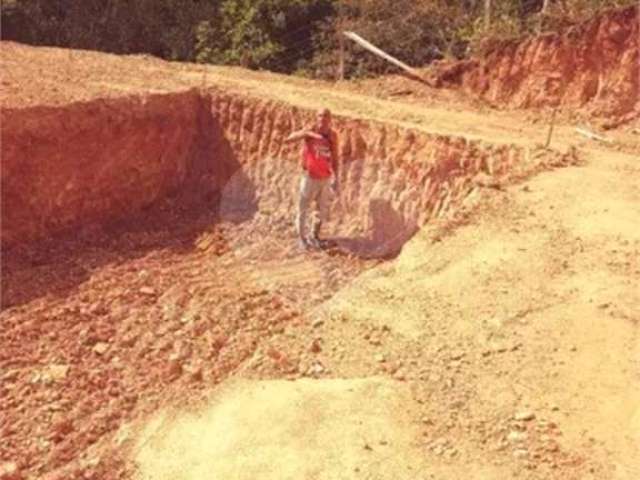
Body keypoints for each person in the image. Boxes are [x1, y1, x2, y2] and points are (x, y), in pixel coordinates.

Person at [284, 108, 339, 250]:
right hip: (310, 177)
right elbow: (288, 139)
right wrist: (306, 133)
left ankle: (314, 236)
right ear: (316, 117)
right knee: (303, 208)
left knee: (321, 210)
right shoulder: (311, 131)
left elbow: (335, 157)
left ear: (330, 119)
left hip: (325, 178)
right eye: (320, 116)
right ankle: (302, 239)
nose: (323, 119)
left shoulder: (332, 136)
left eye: (326, 116)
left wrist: (336, 177)